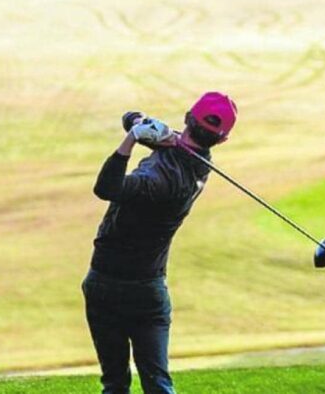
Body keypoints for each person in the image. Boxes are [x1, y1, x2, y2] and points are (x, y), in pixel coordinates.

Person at [82, 92, 238, 394]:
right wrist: (141, 124)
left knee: (115, 384)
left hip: (109, 283)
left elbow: (106, 187)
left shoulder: (162, 180)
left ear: (187, 116)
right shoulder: (198, 161)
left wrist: (132, 139)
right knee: (158, 383)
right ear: (221, 141)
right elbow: (131, 116)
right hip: (150, 289)